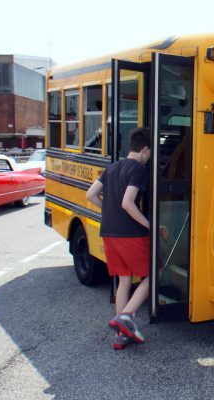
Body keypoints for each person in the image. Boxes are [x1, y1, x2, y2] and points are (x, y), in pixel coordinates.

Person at [86, 127, 151, 350]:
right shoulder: (139, 169)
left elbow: (90, 194)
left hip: (109, 232)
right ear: (145, 149)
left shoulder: (112, 168)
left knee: (124, 279)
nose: (149, 157)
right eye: (150, 153)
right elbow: (128, 203)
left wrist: (109, 210)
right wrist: (149, 225)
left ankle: (122, 335)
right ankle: (127, 316)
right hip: (130, 233)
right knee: (154, 275)